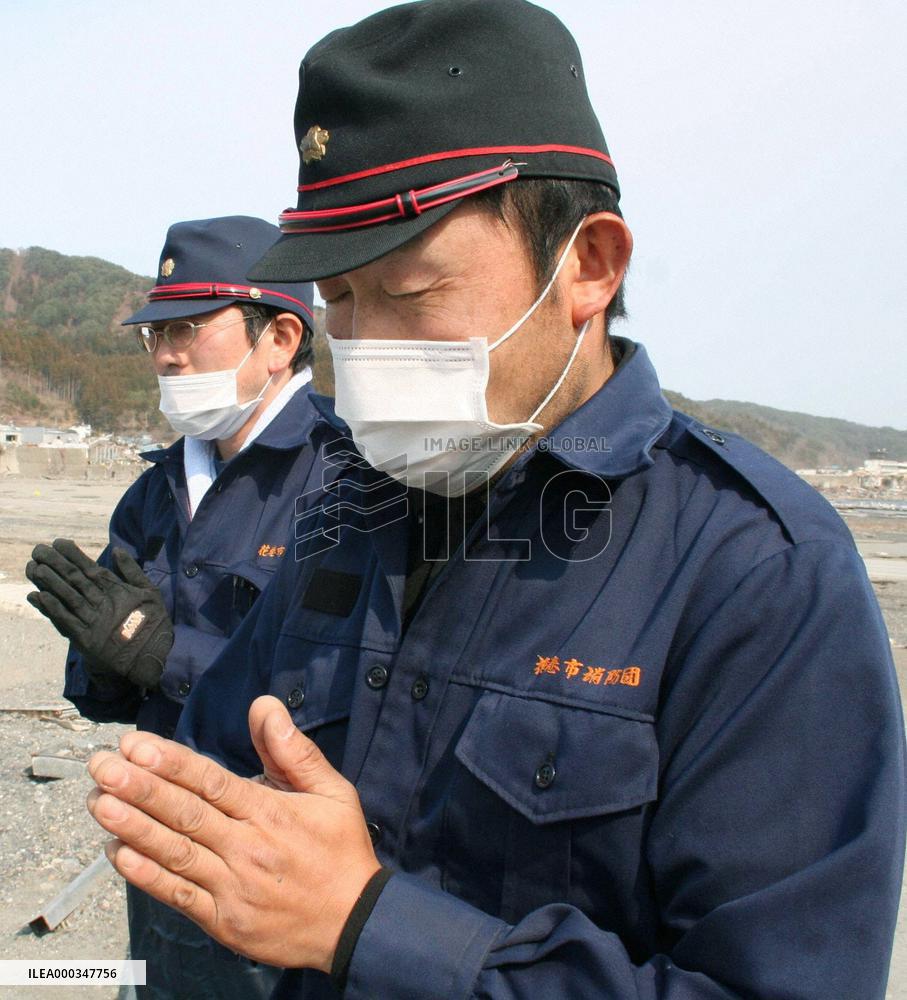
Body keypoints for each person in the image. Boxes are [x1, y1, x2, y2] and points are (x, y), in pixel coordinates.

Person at [83, 3, 906, 999]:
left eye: (411, 293)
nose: (367, 340)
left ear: (588, 266)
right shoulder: (349, 514)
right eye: (341, 301)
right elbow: (223, 765)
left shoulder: (756, 577)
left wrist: (368, 924)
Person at [26, 215, 319, 999]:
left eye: (188, 327)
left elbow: (345, 694)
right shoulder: (153, 492)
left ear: (280, 338)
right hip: (157, 848)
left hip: (278, 871)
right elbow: (103, 693)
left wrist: (167, 656)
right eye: (153, 333)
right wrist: (103, 649)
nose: (164, 354)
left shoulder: (346, 484)